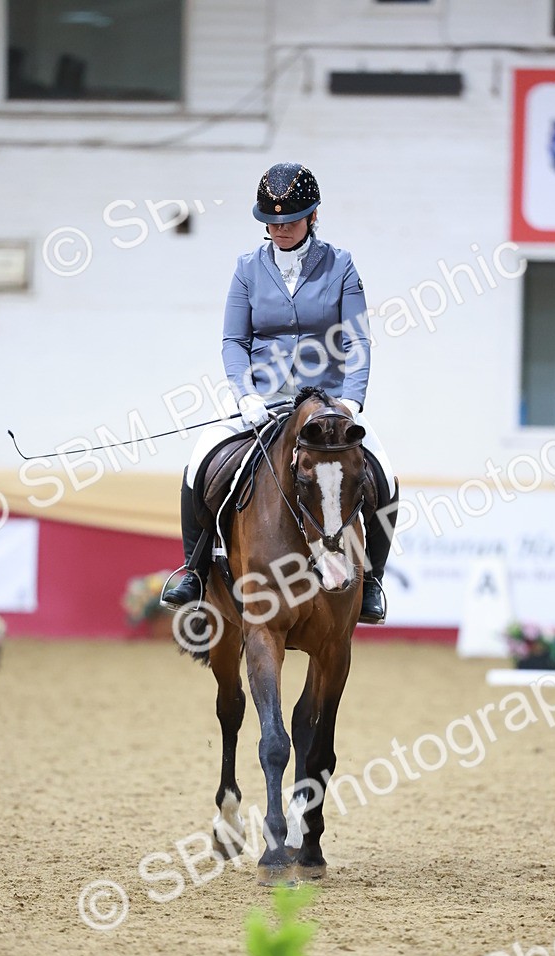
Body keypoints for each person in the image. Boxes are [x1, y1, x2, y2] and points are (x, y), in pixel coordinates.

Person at [162, 160, 398, 623]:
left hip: (326, 406)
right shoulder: (248, 269)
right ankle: (192, 568)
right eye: (272, 222)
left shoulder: (341, 265)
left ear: (313, 217)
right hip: (263, 402)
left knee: (383, 474)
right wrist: (245, 396)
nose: (280, 229)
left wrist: (350, 401)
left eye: (290, 220)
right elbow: (234, 340)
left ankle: (371, 581)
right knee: (200, 460)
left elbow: (357, 339)